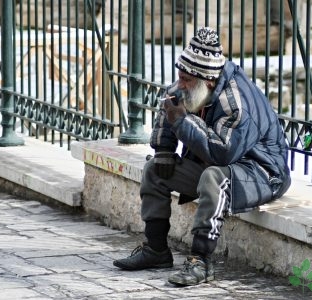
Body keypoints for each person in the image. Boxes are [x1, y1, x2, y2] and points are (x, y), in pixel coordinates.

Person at [113, 26, 291, 286]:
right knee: (154, 170)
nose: (180, 83)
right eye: (180, 75)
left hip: (261, 173)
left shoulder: (237, 103)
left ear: (207, 81)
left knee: (213, 177)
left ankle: (200, 262)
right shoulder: (194, 84)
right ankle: (156, 250)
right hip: (218, 165)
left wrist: (183, 122)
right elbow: (171, 102)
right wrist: (163, 151)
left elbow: (222, 154)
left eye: (186, 79)